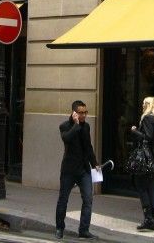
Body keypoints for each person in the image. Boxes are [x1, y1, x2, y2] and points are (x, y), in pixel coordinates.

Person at [55, 100, 100, 240]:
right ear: (74, 113)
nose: (84, 115)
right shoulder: (65, 126)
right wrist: (75, 124)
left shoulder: (86, 127)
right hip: (69, 169)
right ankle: (59, 228)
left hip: (83, 169)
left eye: (85, 112)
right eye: (81, 113)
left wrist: (94, 163)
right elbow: (66, 139)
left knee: (88, 198)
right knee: (63, 199)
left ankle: (84, 230)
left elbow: (88, 146)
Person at [130, 96, 154, 231]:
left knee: (142, 187)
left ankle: (148, 219)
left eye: (144, 103)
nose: (142, 105)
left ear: (149, 105)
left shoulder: (147, 118)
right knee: (151, 188)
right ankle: (151, 219)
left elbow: (147, 137)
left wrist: (134, 131)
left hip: (146, 159)